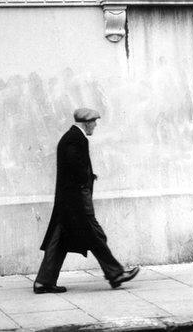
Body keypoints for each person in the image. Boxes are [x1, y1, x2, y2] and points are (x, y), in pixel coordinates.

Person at [33, 107, 139, 293]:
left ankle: (44, 281)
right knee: (96, 237)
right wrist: (86, 181)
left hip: (69, 202)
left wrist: (89, 176)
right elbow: (75, 168)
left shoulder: (71, 137)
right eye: (94, 122)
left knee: (59, 241)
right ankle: (115, 274)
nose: (95, 126)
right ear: (87, 122)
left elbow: (74, 167)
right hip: (76, 202)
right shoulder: (76, 138)